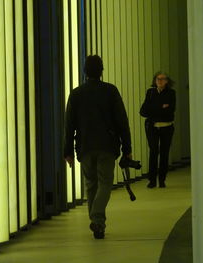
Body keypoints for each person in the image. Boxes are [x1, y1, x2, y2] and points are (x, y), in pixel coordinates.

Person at [64, 55, 132, 239]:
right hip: (107, 146)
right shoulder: (110, 91)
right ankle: (97, 218)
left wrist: (67, 151)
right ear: (101, 71)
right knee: (105, 184)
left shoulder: (76, 94)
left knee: (91, 184)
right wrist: (127, 147)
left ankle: (98, 223)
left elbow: (69, 124)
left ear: (85, 72)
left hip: (85, 146)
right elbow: (121, 121)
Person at [140, 71, 176, 188]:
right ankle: (152, 180)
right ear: (155, 81)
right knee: (153, 152)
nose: (160, 81)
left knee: (164, 153)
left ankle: (162, 180)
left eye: (162, 79)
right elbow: (143, 111)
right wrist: (161, 107)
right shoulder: (150, 92)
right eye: (158, 79)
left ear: (166, 81)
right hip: (152, 127)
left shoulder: (171, 93)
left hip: (167, 127)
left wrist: (154, 108)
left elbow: (170, 112)